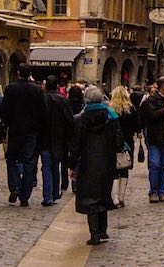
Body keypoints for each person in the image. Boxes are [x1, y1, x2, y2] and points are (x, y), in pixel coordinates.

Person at [69, 85, 125, 246]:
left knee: (90, 197)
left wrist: (72, 164)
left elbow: (75, 145)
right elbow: (119, 142)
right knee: (103, 194)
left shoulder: (80, 119)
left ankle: (94, 233)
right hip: (107, 161)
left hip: (88, 162)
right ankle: (102, 229)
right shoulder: (111, 117)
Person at [0, 63, 46, 207]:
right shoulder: (37, 90)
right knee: (29, 162)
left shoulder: (10, 89)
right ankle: (25, 195)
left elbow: (4, 111)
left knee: (11, 159)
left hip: (15, 130)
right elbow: (42, 112)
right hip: (32, 132)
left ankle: (15, 187)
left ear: (19, 73)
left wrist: (6, 126)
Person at [40, 75, 74, 206]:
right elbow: (69, 121)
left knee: (46, 166)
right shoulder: (63, 101)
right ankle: (54, 193)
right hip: (59, 139)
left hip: (44, 138)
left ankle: (48, 195)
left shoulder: (42, 99)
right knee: (55, 166)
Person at [140, 75, 164, 203]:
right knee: (155, 165)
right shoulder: (151, 100)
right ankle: (153, 191)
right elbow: (152, 116)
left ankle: (162, 191)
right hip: (155, 137)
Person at [109, 85, 140, 207]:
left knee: (115, 169)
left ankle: (115, 197)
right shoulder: (131, 109)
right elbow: (137, 126)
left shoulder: (111, 110)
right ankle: (121, 196)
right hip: (127, 142)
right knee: (125, 168)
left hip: (113, 143)